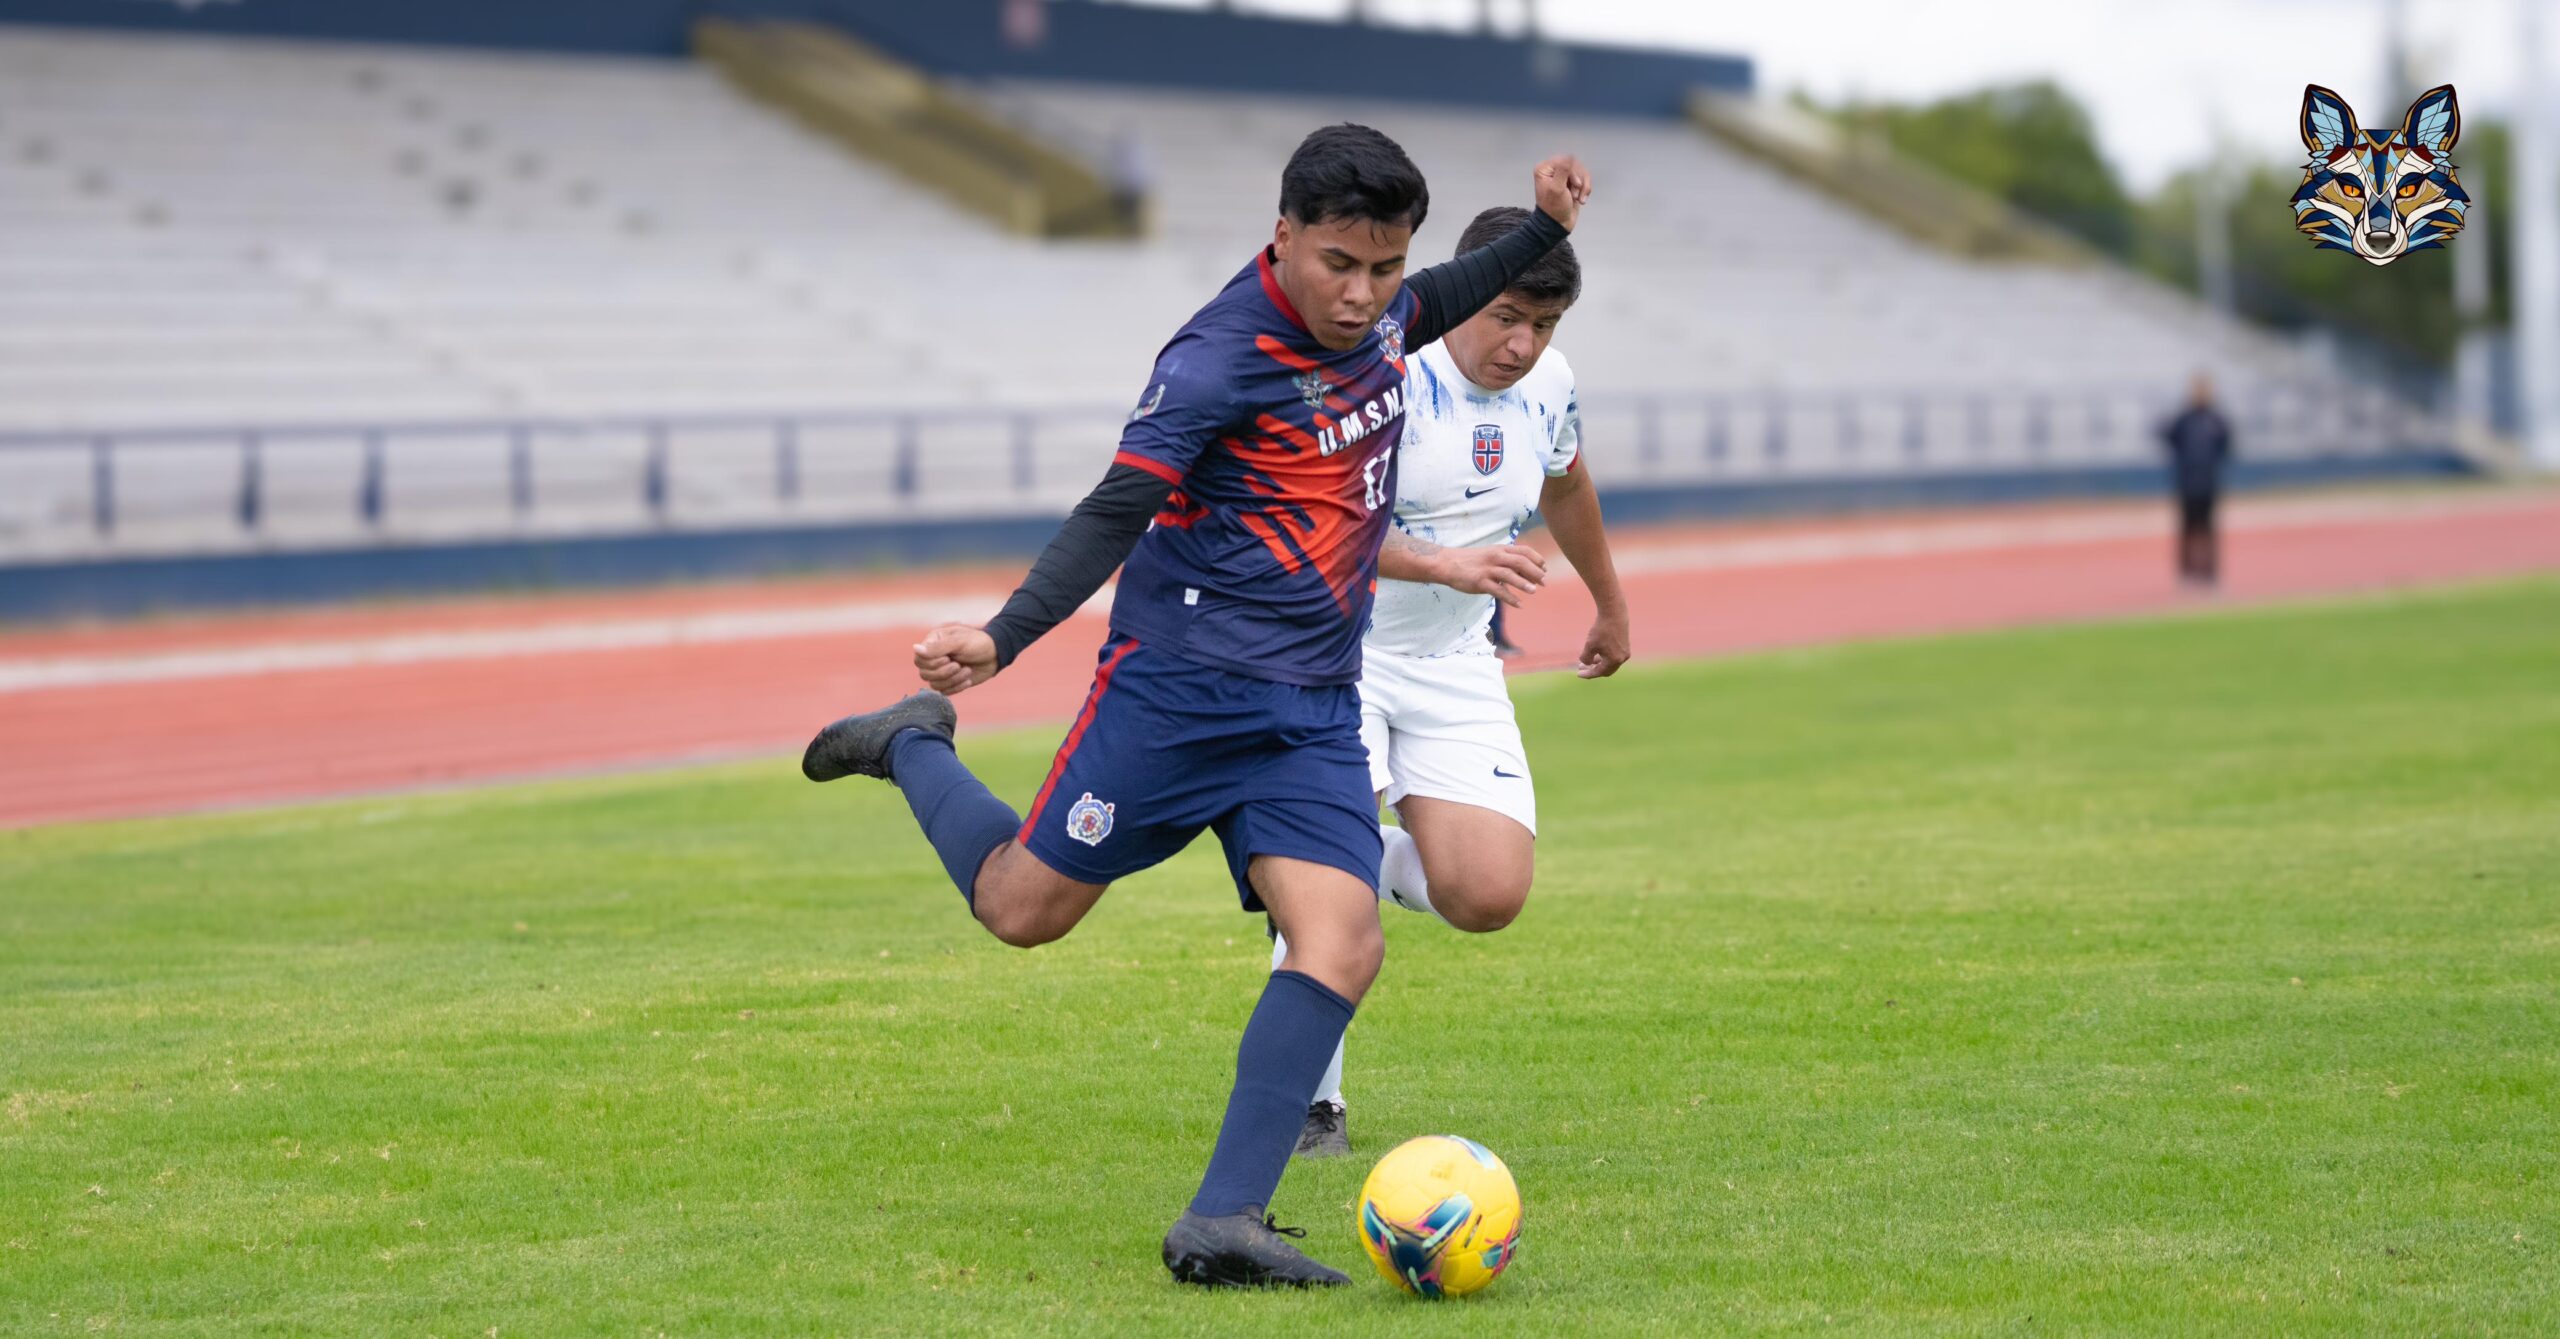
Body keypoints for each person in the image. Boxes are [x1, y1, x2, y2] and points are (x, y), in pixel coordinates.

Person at [798, 124, 1591, 1289]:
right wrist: (1003, 637)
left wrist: (1544, 230)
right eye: (1338, 264)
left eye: (1383, 269)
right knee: (1023, 909)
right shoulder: (1218, 360)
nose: (1363, 295)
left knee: (1343, 937)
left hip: (1312, 707)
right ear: (1282, 235)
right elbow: (1113, 511)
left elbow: (1449, 290)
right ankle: (915, 745)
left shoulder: (1383, 317)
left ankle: (1224, 1217)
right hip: (1178, 696)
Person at [1272, 205, 1633, 1159]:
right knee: (1329, 885)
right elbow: (1323, 528)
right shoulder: (1381, 376)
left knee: (1486, 895)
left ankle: (1355, 851)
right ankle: (1315, 1104)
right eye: (1506, 315)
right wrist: (1447, 564)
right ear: (1466, 287)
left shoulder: (1549, 384)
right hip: (1334, 655)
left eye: (1544, 326)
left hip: (1456, 659)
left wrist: (1611, 602)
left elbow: (1565, 483)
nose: (1522, 345)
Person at [2161, 373, 2235, 586]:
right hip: (2186, 483)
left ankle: (2210, 572)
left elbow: (2226, 445)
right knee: (2187, 529)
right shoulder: (2183, 419)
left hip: (2209, 483)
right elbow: (2170, 440)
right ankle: (2187, 573)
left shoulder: (2216, 419)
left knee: (2209, 529)